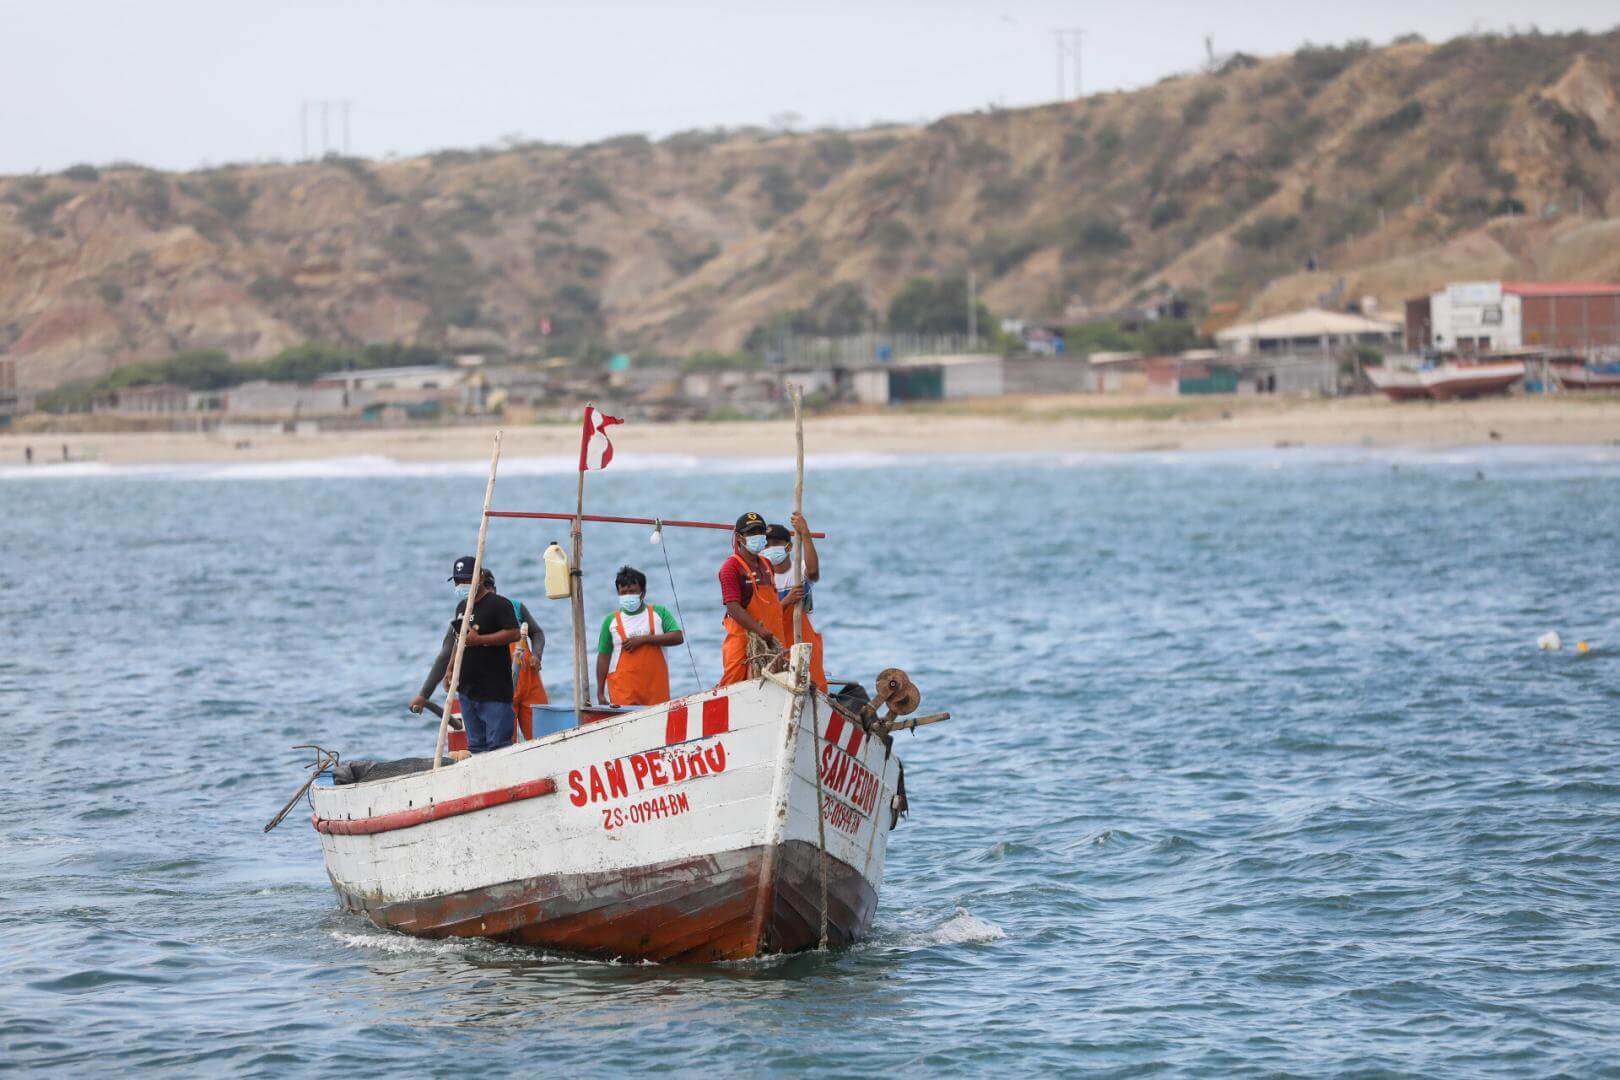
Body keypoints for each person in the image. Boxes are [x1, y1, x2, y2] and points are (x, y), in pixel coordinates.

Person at [411, 568, 547, 741]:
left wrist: (537, 654)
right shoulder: (466, 616)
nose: (488, 593)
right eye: (485, 588)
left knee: (542, 737)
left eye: (491, 588)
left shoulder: (512, 607)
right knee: (504, 742)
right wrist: (424, 694)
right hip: (499, 689)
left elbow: (536, 633)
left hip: (529, 683)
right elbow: (446, 655)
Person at [596, 566, 684, 707]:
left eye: (632, 591)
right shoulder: (610, 621)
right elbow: (603, 656)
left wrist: (644, 639)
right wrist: (600, 692)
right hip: (623, 693)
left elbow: (678, 637)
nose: (628, 596)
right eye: (623, 593)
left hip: (656, 691)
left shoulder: (659, 613)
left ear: (642, 593)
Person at [718, 511, 786, 686]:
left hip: (772, 643)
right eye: (751, 533)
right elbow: (732, 607)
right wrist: (760, 631)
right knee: (733, 684)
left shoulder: (767, 564)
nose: (758, 536)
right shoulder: (730, 568)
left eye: (760, 532)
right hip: (744, 644)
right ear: (740, 538)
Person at [765, 511, 827, 692]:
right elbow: (765, 616)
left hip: (804, 640)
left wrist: (805, 533)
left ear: (788, 546)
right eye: (766, 545)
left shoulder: (799, 571)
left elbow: (814, 572)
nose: (770, 548)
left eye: (775, 544)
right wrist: (788, 600)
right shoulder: (762, 579)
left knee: (817, 686)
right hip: (776, 644)